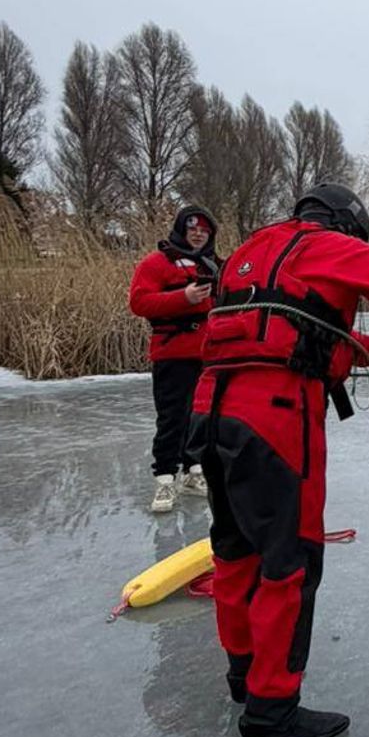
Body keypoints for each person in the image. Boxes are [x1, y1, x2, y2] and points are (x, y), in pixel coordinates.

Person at [188, 180, 369, 737]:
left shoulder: (253, 249)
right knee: (290, 564)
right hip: (274, 418)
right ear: (349, 226)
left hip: (210, 412)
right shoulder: (335, 247)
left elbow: (295, 326)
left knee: (235, 552)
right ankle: (272, 711)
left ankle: (244, 677)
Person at [128, 204, 220, 514]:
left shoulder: (214, 264)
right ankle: (165, 478)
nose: (198, 234)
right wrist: (184, 297)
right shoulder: (157, 263)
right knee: (172, 419)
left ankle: (193, 472)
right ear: (181, 229)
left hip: (209, 356)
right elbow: (139, 302)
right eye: (193, 228)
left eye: (204, 230)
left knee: (202, 417)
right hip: (172, 355)